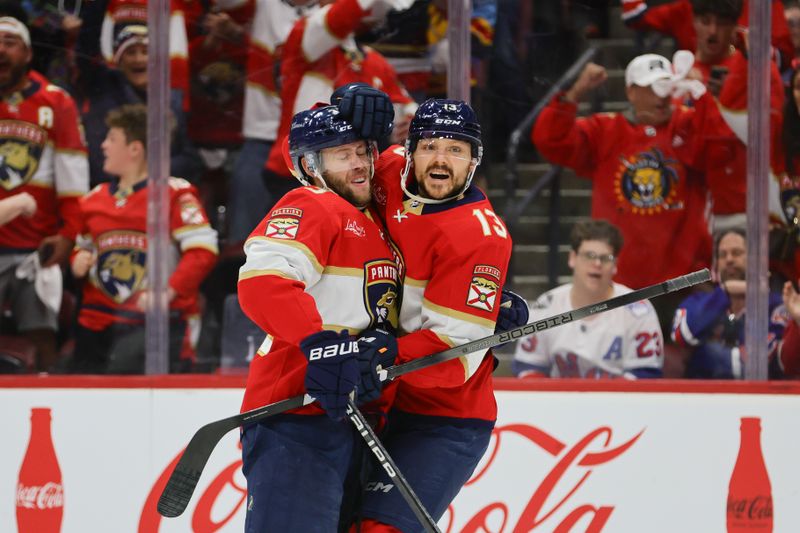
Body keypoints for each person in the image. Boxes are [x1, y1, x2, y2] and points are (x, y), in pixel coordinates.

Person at [349, 97, 514, 532]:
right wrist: (344, 109)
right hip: (376, 402)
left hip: (444, 420)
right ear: (408, 150)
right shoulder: (385, 171)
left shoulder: (480, 238)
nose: (441, 160)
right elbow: (324, 156)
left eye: (456, 150)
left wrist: (382, 356)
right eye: (431, 146)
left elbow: (453, 359)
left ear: (474, 161)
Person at [236, 104, 402, 531]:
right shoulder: (312, 203)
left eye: (364, 151)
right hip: (297, 418)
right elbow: (263, 280)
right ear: (310, 166)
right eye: (341, 154)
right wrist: (319, 343)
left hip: (356, 419)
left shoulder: (377, 224)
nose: (360, 164)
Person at [532, 52, 712, 295]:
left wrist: (701, 94)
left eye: (665, 86)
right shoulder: (605, 130)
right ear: (631, 92)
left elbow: (720, 142)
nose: (660, 95)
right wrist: (575, 92)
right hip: (617, 285)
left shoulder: (687, 125)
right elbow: (550, 139)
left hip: (682, 283)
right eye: (651, 87)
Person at [70, 104, 218, 373]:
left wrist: (167, 292)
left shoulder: (175, 194)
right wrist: (78, 259)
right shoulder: (93, 198)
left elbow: (203, 251)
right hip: (96, 322)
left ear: (135, 149)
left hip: (157, 326)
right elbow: (82, 247)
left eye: (111, 139)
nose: (103, 145)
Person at [0, 14, 89, 371]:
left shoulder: (55, 102)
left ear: (27, 53)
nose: (1, 51)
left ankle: (50, 392)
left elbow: (74, 180)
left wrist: (69, 235)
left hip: (34, 249)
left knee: (41, 332)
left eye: (9, 43)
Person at [513, 219, 663, 379]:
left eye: (606, 258)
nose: (597, 263)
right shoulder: (546, 305)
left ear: (615, 265)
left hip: (617, 403)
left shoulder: (638, 311)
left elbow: (645, 376)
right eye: (589, 256)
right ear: (572, 258)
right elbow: (528, 367)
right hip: (560, 402)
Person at [74, 6, 199, 187]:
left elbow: (190, 160)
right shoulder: (103, 87)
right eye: (130, 52)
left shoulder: (172, 99)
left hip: (159, 196)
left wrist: (147, 173)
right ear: (119, 60)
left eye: (146, 52)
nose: (139, 59)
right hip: (112, 193)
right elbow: (86, 47)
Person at [671, 229, 790, 379]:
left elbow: (762, 365)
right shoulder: (698, 301)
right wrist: (725, 292)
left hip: (758, 399)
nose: (729, 259)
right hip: (703, 398)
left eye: (737, 253)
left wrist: (707, 353)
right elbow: (683, 335)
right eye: (722, 255)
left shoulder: (775, 306)